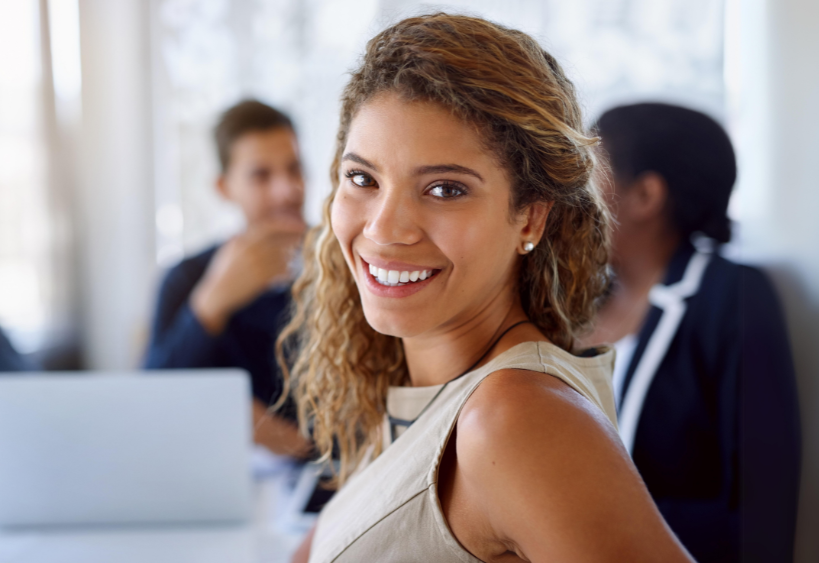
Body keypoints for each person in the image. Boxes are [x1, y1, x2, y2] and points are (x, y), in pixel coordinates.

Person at [280, 14, 694, 562]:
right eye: (363, 179)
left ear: (529, 218)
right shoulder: (432, 396)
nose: (383, 228)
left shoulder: (514, 419)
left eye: (445, 189)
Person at [583, 102, 801, 562]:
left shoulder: (734, 296)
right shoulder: (575, 301)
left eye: (587, 171)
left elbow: (761, 508)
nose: (570, 190)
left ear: (645, 196)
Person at [145, 100, 311, 458]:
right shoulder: (186, 278)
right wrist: (210, 304)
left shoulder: (347, 267)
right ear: (224, 187)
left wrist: (292, 443)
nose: (287, 190)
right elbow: (149, 402)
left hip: (325, 478)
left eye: (294, 168)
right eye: (261, 176)